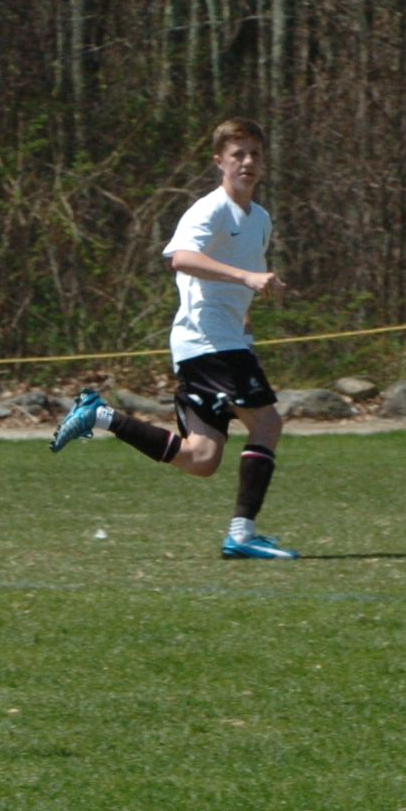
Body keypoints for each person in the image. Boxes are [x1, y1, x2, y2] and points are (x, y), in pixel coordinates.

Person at [47, 118, 298, 559]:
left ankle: (101, 416)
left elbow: (238, 283)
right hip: (208, 340)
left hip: (219, 341)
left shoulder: (260, 219)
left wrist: (245, 326)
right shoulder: (210, 209)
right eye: (238, 154)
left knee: (201, 458)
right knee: (267, 424)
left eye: (255, 153)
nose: (248, 162)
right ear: (219, 161)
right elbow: (181, 258)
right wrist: (246, 278)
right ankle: (241, 535)